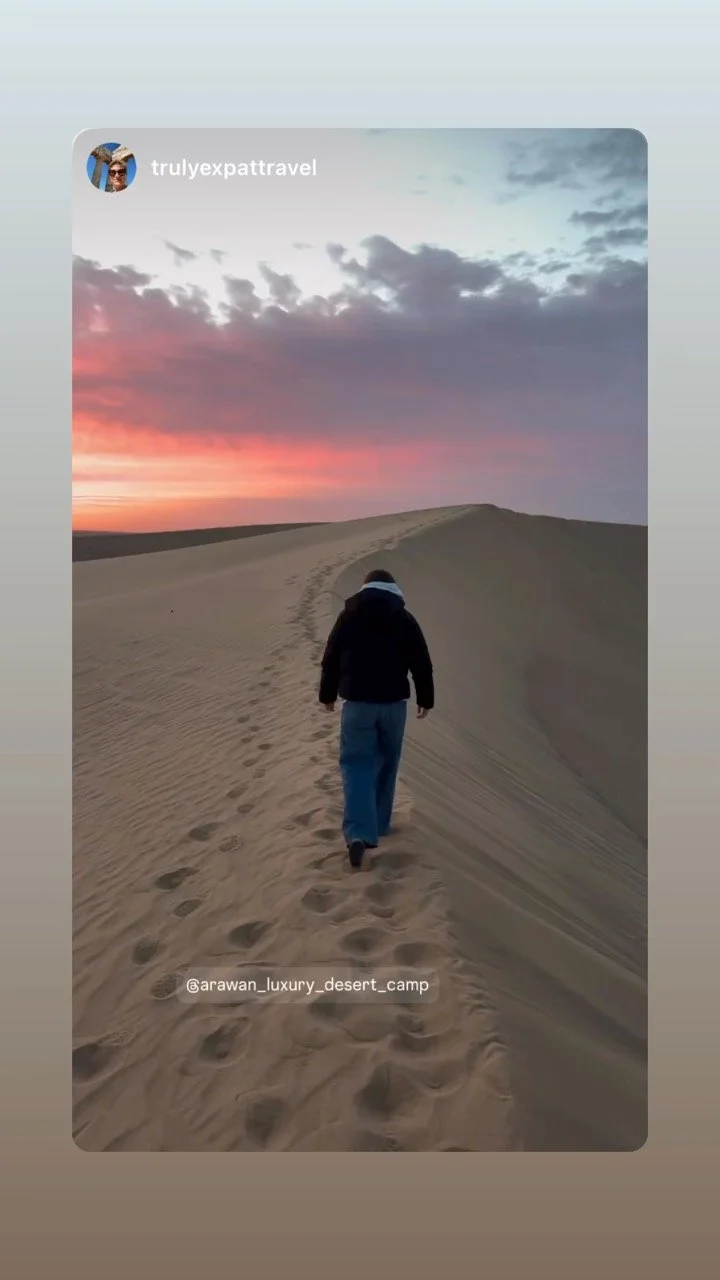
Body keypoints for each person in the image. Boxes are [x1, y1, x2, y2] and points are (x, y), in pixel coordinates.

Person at [318, 569, 434, 869]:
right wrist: (426, 699)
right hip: (393, 706)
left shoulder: (348, 616)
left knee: (356, 764)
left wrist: (327, 695)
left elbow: (331, 656)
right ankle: (379, 825)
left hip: (357, 705)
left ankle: (359, 833)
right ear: (394, 590)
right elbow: (421, 661)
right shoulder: (405, 619)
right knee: (387, 761)